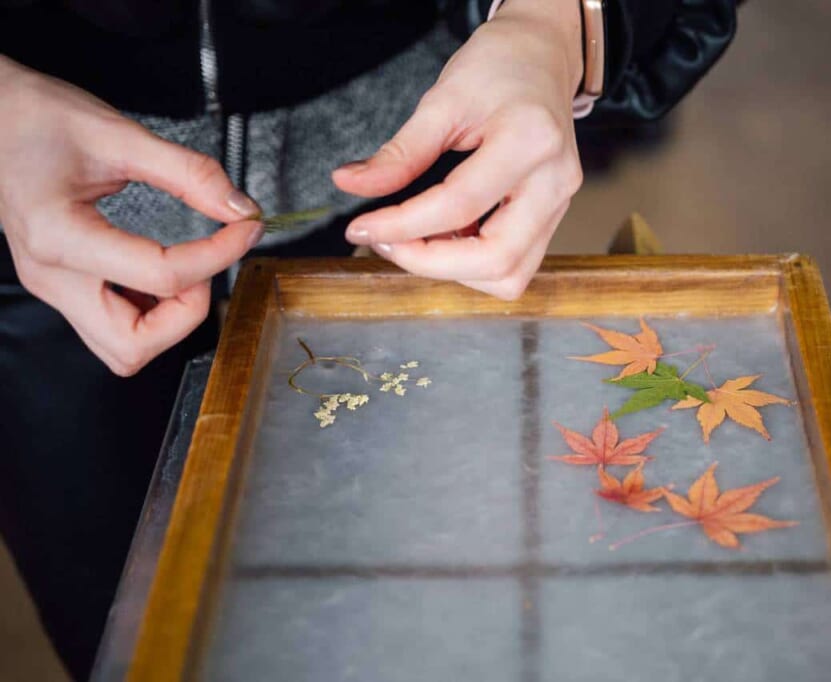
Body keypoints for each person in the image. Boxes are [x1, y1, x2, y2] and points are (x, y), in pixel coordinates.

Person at [0, 1, 736, 678]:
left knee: (437, 608)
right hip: (31, 214)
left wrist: (555, 23)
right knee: (125, 635)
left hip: (427, 149)